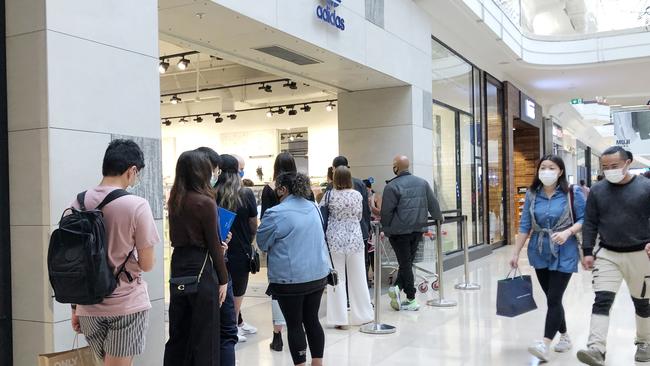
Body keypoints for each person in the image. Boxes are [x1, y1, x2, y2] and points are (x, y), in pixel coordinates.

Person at [70, 139, 159, 366]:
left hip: (88, 305)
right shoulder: (137, 205)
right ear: (132, 171)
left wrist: (74, 308)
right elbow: (148, 264)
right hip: (126, 303)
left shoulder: (78, 203)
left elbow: (74, 259)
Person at [576, 146, 650, 366]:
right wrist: (587, 251)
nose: (609, 170)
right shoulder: (598, 190)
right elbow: (590, 222)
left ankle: (644, 342)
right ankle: (596, 349)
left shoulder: (646, 187)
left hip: (641, 255)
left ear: (628, 163)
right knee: (602, 300)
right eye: (605, 167)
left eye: (614, 166)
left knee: (643, 303)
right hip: (607, 253)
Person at [509, 154, 585, 362]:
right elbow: (525, 224)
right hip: (539, 250)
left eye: (551, 167)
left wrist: (568, 232)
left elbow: (585, 218)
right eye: (543, 167)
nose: (547, 171)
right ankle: (565, 336)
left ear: (560, 171)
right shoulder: (533, 194)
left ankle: (544, 343)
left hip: (565, 250)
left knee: (553, 297)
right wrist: (516, 252)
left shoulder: (572, 193)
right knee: (553, 298)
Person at [257, 172, 330, 366]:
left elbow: (262, 243)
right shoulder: (314, 207)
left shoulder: (275, 213)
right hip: (317, 275)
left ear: (283, 189)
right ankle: (317, 363)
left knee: (294, 324)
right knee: (312, 320)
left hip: (289, 279)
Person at [164, 150, 229, 365]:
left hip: (179, 265)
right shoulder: (205, 202)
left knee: (179, 333)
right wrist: (224, 279)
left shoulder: (175, 199)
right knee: (206, 336)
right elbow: (213, 246)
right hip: (202, 268)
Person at [381, 155, 442, 311]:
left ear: (396, 167)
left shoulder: (392, 187)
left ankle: (411, 298)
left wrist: (385, 230)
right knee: (407, 263)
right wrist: (438, 219)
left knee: (405, 264)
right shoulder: (422, 183)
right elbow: (433, 204)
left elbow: (386, 213)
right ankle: (396, 288)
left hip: (399, 233)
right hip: (417, 230)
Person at [195, 146, 238, 366]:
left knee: (202, 334)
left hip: (191, 275)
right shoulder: (206, 201)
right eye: (214, 170)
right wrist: (223, 278)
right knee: (226, 332)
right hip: (215, 270)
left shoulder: (180, 200)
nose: (216, 176)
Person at [321, 166, 373, 328]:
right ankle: (363, 315)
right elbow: (359, 215)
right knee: (358, 277)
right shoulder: (357, 195)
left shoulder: (329, 195)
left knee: (337, 279)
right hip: (354, 238)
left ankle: (339, 319)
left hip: (335, 239)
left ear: (334, 178)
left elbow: (322, 214)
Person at [215, 154, 259, 342]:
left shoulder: (211, 193)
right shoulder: (246, 193)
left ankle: (227, 328)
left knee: (220, 291)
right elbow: (253, 224)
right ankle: (231, 327)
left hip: (218, 250)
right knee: (238, 291)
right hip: (241, 250)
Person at [260, 152, 297, 351]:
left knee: (277, 290)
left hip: (277, 244)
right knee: (300, 288)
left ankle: (277, 335)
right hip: (300, 243)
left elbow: (265, 218)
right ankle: (297, 329)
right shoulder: (302, 187)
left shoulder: (270, 189)